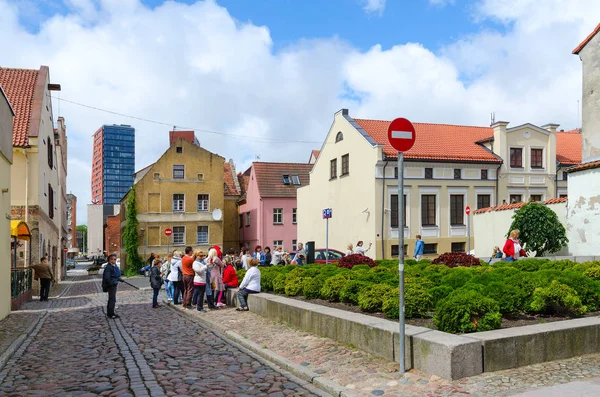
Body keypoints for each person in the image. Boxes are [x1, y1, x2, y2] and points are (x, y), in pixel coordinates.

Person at [102, 254, 123, 319]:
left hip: (114, 284)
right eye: (113, 259)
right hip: (111, 286)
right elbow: (107, 278)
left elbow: (115, 275)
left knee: (112, 299)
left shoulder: (113, 266)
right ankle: (111, 314)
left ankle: (111, 313)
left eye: (115, 259)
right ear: (110, 260)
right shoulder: (108, 267)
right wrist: (112, 284)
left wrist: (119, 279)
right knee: (112, 300)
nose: (115, 260)